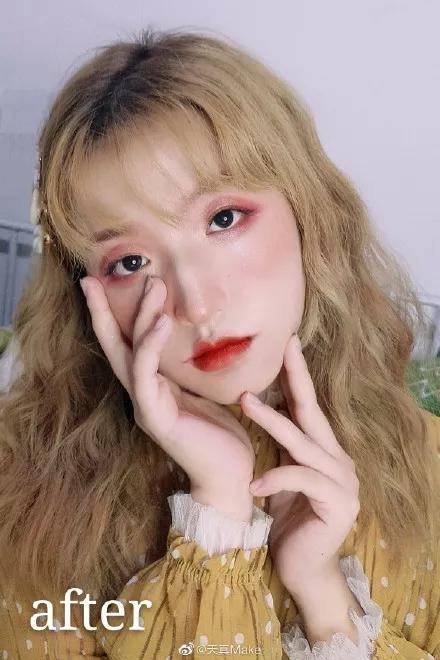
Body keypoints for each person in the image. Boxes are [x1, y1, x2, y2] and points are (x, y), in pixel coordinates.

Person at [0, 26, 439, 660]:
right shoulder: (23, 498)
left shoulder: (427, 463)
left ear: (309, 213)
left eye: (223, 219)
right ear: (85, 293)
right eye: (129, 262)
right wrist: (218, 513)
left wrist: (324, 598)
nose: (198, 305)